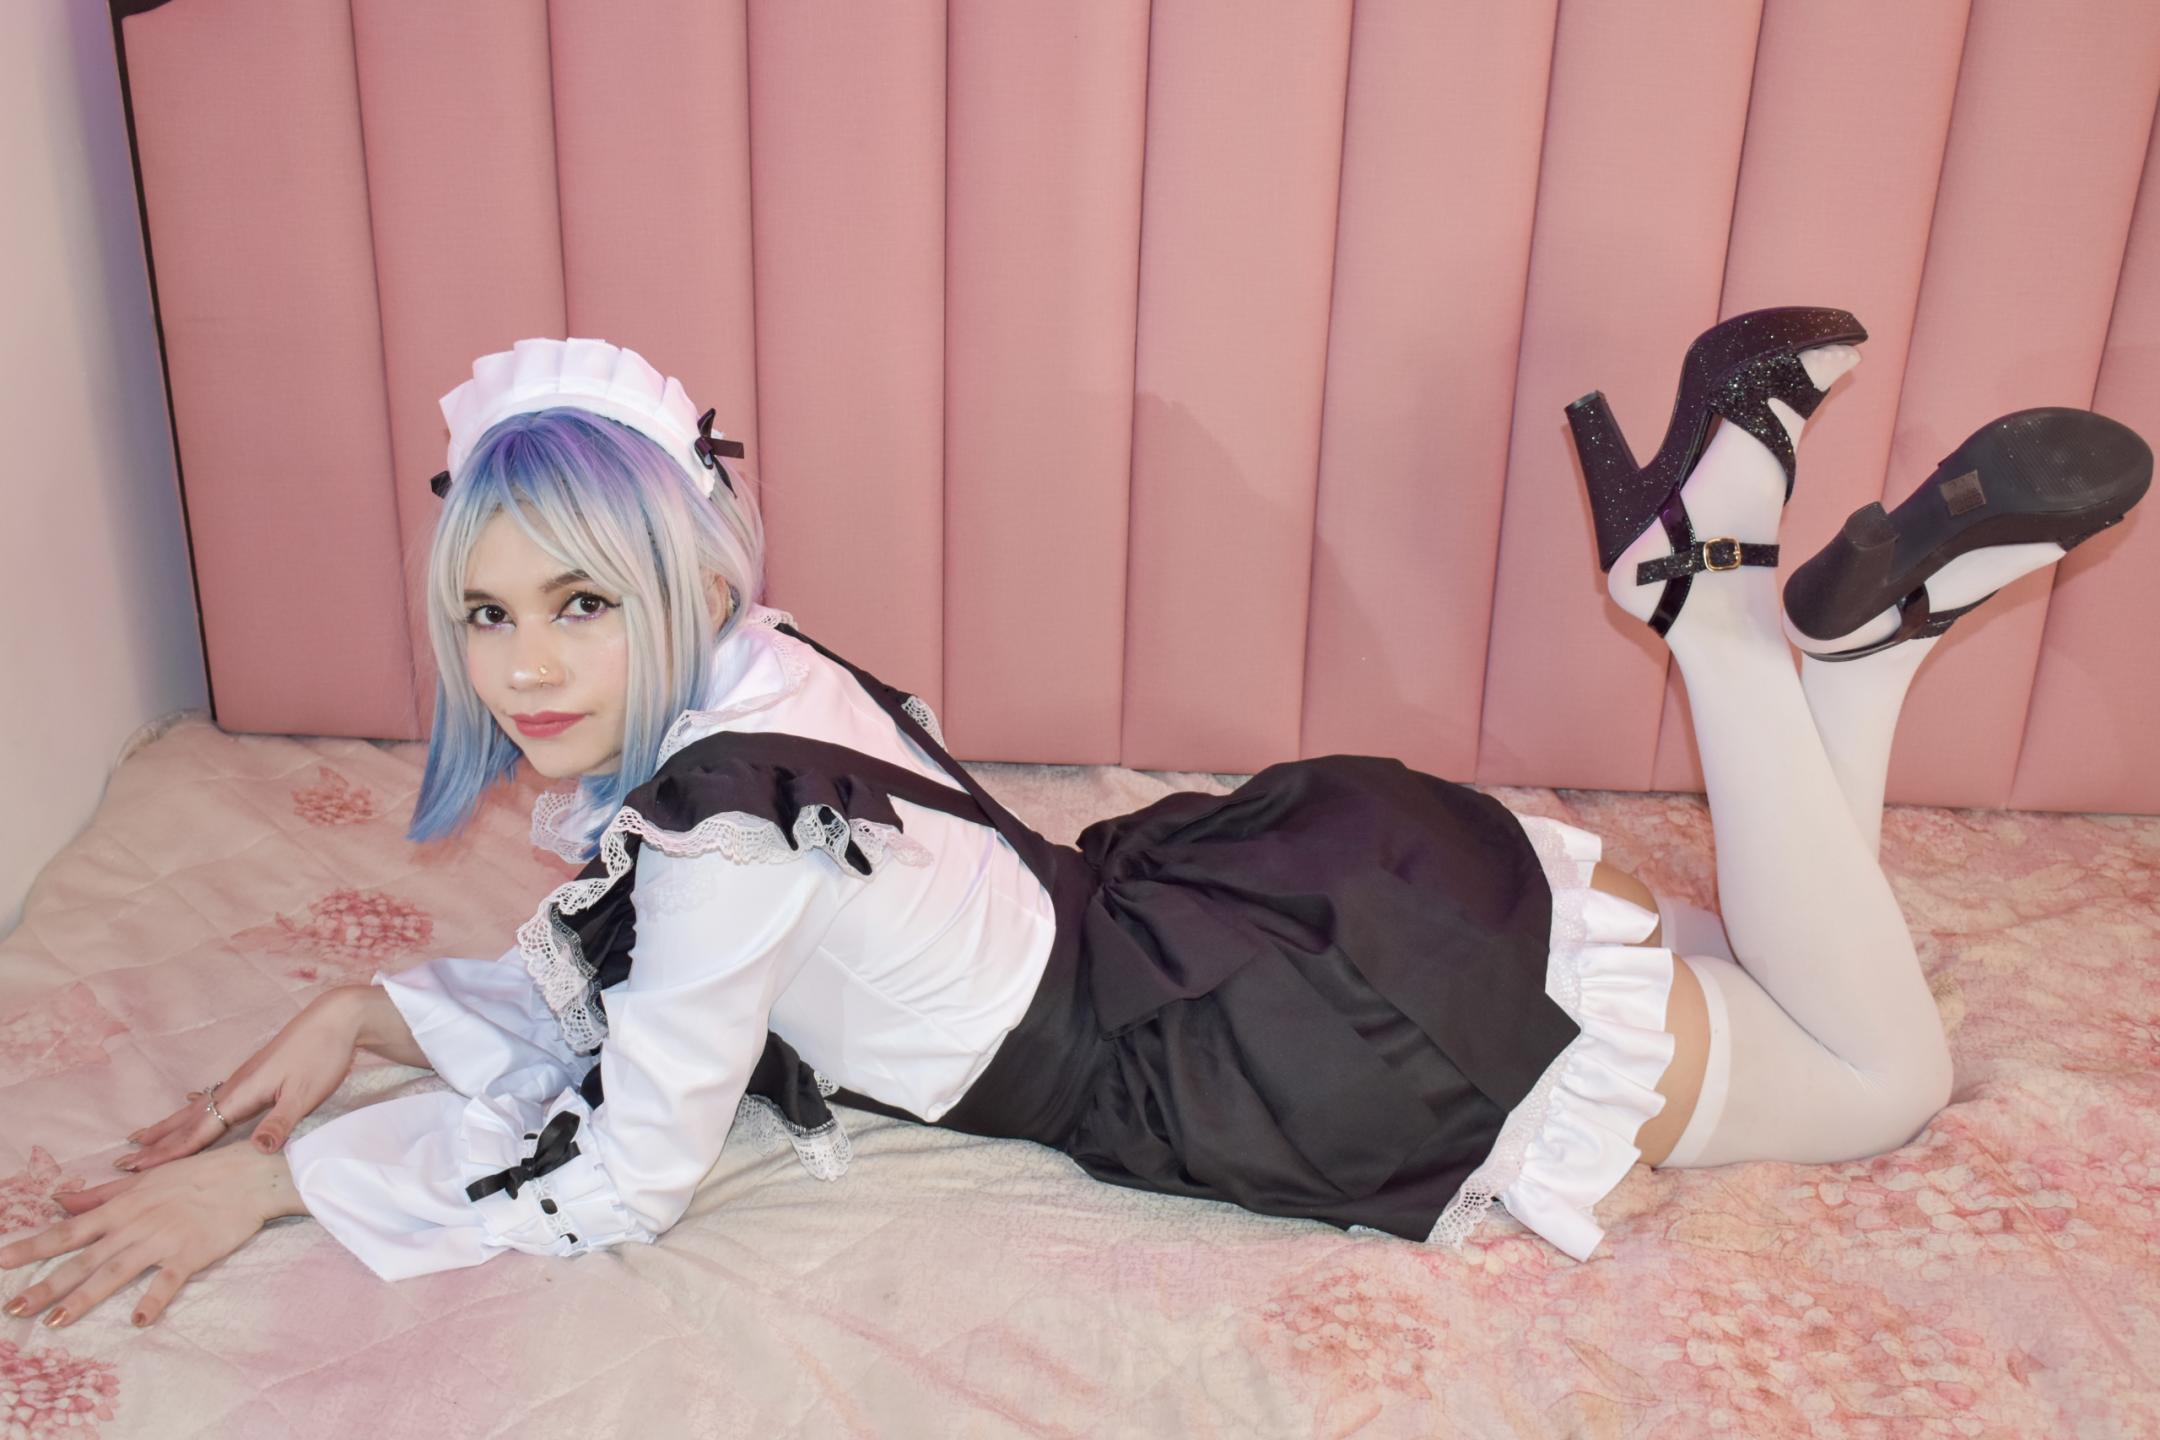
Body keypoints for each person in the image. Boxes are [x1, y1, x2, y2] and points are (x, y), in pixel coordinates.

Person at [3, 323, 2147, 1329]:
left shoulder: (714, 832)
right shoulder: (759, 678)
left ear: (677, 578)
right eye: (487, 615)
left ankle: (1719, 610)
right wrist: (386, 1014)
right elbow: (651, 990)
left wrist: (286, 1186)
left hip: (1263, 1034)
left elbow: (623, 1173)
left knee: (1885, 1080)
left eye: (581, 603)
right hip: (1259, 906)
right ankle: (1862, 661)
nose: (527, 667)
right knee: (1784, 980)